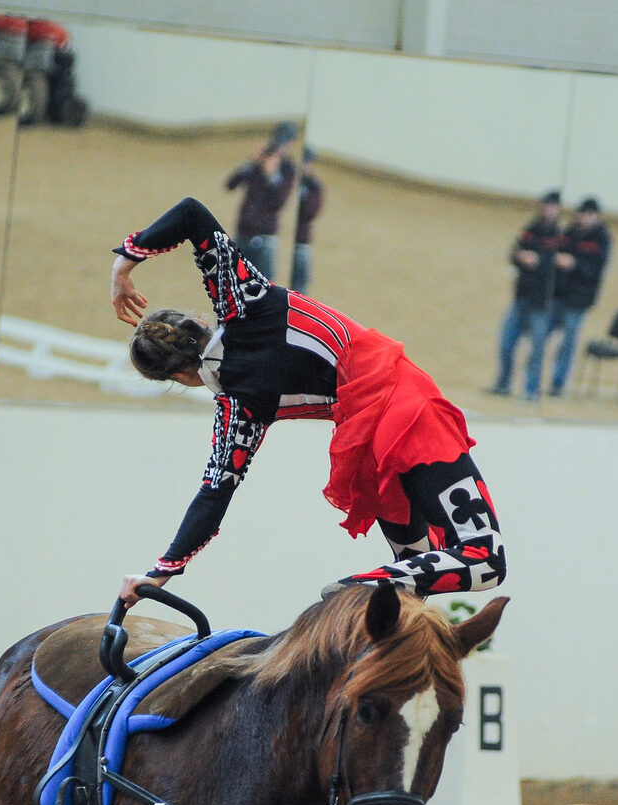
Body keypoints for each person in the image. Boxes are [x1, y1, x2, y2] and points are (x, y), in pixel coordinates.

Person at [110, 197, 505, 607]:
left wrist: (164, 570)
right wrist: (125, 263)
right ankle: (353, 592)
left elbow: (214, 494)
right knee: (485, 559)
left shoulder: (239, 410)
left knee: (416, 572)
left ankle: (363, 610)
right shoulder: (246, 301)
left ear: (178, 377)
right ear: (198, 324)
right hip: (410, 412)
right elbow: (192, 213)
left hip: (368, 447)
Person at [490, 191, 564, 401]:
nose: (547, 210)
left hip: (541, 303)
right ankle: (503, 383)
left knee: (537, 348)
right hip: (521, 297)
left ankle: (531, 390)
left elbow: (555, 265)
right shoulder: (531, 229)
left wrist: (537, 260)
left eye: (552, 206)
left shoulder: (560, 235)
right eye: (545, 205)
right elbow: (514, 252)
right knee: (506, 341)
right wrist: (521, 256)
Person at [547, 196, 612, 397]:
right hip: (559, 295)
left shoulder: (601, 238)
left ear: (595, 216)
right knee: (541, 337)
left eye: (586, 215)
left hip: (578, 300)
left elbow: (595, 270)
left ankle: (558, 384)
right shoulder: (569, 232)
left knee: (568, 342)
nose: (582, 218)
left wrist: (573, 264)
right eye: (580, 214)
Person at [222, 122, 299, 284]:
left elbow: (279, 201)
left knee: (264, 285)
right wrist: (251, 163)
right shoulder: (258, 163)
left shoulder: (288, 169)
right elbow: (230, 184)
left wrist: (271, 175)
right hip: (243, 232)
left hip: (265, 237)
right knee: (235, 282)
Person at [288, 146, 324, 293]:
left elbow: (310, 212)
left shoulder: (313, 186)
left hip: (301, 242)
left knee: (300, 289)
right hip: (286, 240)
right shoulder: (285, 177)